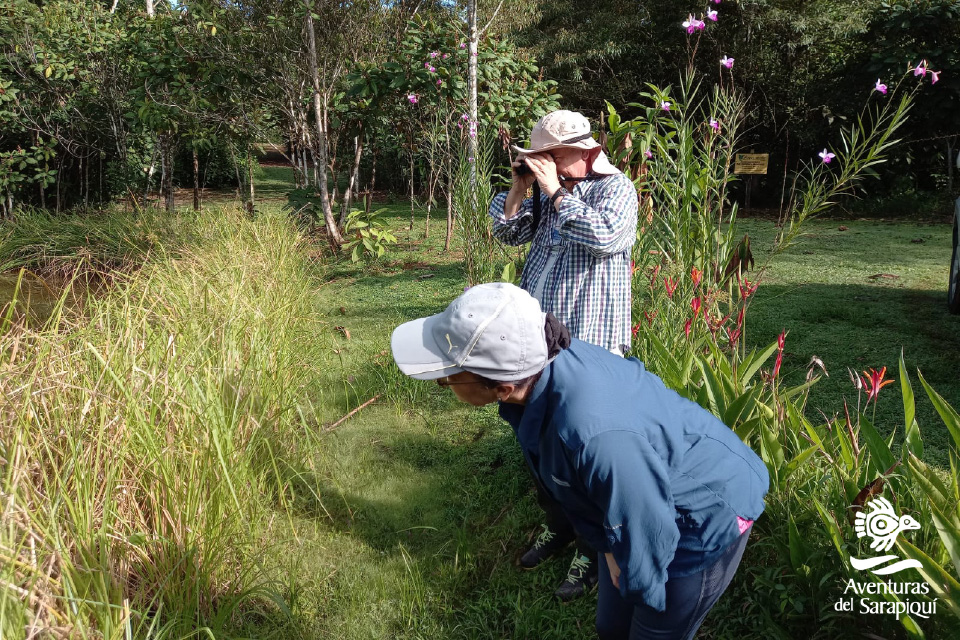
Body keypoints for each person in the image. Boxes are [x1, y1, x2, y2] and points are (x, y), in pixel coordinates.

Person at [391, 283, 768, 640]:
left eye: (446, 378)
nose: (445, 384)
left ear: (502, 386)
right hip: (641, 490)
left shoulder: (591, 435)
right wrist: (606, 547)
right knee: (610, 627)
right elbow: (589, 494)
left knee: (652, 627)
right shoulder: (541, 367)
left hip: (706, 509)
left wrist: (640, 585)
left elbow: (647, 525)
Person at [489, 109, 639, 599]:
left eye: (550, 155)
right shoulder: (546, 191)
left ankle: (593, 548)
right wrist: (519, 186)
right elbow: (506, 233)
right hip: (535, 341)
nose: (544, 164)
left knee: (580, 450)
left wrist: (557, 191)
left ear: (586, 150)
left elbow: (604, 238)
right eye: (538, 157)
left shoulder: (616, 190)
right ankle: (559, 525)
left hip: (587, 343)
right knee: (534, 439)